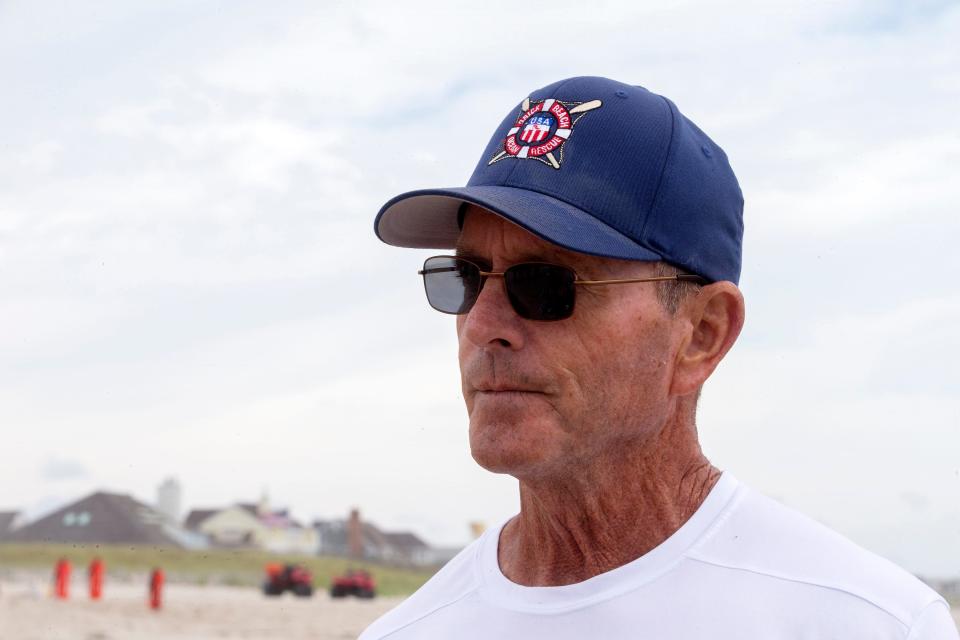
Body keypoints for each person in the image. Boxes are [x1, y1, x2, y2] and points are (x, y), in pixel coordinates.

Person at [362, 76, 958, 638]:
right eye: (465, 276)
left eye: (546, 284)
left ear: (702, 334)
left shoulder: (867, 623)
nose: (483, 326)